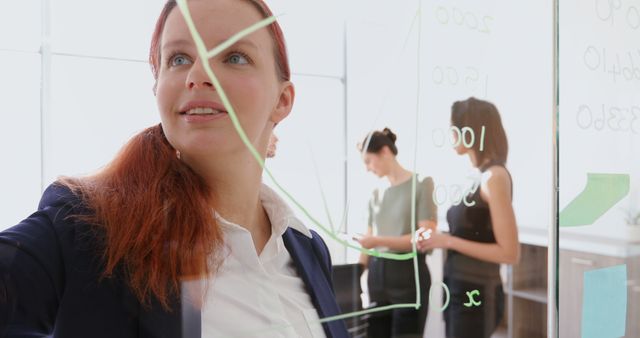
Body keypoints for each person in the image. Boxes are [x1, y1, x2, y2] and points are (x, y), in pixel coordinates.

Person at [0, 1, 348, 337]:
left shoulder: (308, 248)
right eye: (179, 59)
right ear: (157, 89)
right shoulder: (88, 226)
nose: (197, 76)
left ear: (282, 100)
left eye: (234, 56)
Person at [416, 97, 520, 338]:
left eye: (455, 128)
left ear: (470, 131)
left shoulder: (495, 177)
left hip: (478, 295)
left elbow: (510, 252)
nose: (451, 134)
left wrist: (447, 241)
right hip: (460, 289)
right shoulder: (478, 176)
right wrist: (438, 238)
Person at [356, 128, 437, 338]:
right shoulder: (375, 194)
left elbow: (424, 237)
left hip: (408, 277)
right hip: (377, 279)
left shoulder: (422, 184)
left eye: (368, 161)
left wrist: (377, 241)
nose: (367, 169)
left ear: (384, 151)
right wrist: (356, 275)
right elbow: (367, 242)